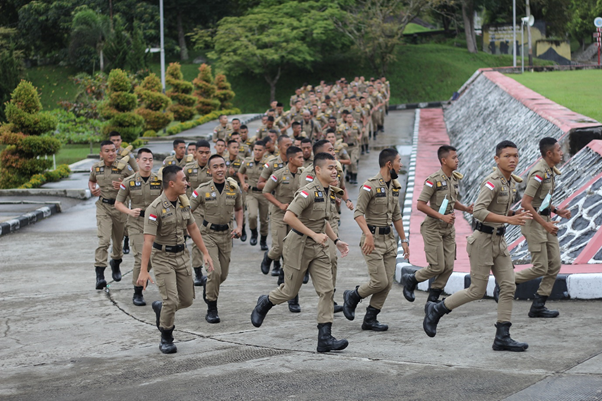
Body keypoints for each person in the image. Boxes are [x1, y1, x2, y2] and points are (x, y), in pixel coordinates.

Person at [423, 140, 532, 352]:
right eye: (507, 155)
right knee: (476, 291)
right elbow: (479, 211)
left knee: (508, 286)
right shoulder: (492, 182)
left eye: (515, 156)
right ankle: (437, 309)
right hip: (482, 241)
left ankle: (502, 336)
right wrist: (508, 220)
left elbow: (498, 210)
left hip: (499, 241)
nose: (512, 159)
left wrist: (512, 214)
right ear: (497, 159)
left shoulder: (510, 182)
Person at [251, 152, 351, 353]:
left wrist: (336, 240)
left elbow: (323, 220)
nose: (335, 171)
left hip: (319, 246)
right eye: (330, 168)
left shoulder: (328, 192)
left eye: (336, 168)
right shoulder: (307, 192)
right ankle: (265, 302)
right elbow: (289, 217)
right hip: (298, 245)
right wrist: (314, 235)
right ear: (317, 170)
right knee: (290, 291)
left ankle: (325, 338)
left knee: (327, 290)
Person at [137, 165, 213, 354]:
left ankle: (161, 309)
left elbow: (193, 228)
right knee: (171, 301)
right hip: (162, 258)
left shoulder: (183, 203)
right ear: (171, 183)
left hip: (182, 256)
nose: (187, 183)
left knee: (187, 300)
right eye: (183, 180)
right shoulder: (155, 208)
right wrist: (143, 270)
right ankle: (166, 335)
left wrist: (205, 252)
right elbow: (148, 241)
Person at [342, 148, 409, 331]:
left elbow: (397, 216)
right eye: (399, 161)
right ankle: (353, 296)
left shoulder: (394, 186)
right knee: (379, 281)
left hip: (389, 240)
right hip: (372, 241)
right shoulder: (369, 186)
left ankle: (370, 318)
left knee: (386, 284)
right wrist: (368, 235)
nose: (401, 164)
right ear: (389, 164)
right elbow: (358, 213)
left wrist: (403, 240)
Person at [402, 146, 474, 307]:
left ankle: (432, 299)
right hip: (433, 227)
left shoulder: (453, 179)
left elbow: (450, 201)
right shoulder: (433, 179)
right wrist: (442, 216)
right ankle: (411, 279)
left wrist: (465, 208)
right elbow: (420, 205)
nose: (457, 160)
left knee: (448, 267)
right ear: (444, 160)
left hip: (448, 229)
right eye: (454, 158)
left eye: (457, 157)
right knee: (437, 266)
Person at [515, 137, 571, 317]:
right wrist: (546, 224)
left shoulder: (549, 170)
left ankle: (538, 305)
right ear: (549, 153)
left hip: (546, 221)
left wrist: (557, 210)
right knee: (540, 267)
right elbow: (526, 203)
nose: (561, 153)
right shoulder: (538, 172)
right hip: (535, 223)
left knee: (554, 264)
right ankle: (507, 282)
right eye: (558, 150)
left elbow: (542, 199)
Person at [190, 155, 243, 323]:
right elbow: (187, 210)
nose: (220, 169)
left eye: (222, 166)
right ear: (209, 170)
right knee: (215, 271)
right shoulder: (202, 190)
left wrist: (239, 227)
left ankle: (208, 285)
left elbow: (239, 208)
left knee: (223, 275)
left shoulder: (234, 188)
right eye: (215, 167)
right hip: (207, 234)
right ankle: (212, 308)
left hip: (227, 235)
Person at [115, 148, 162, 306]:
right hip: (135, 223)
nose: (148, 163)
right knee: (141, 257)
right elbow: (118, 203)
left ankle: (142, 282)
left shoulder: (159, 181)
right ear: (138, 161)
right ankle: (137, 292)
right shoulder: (128, 182)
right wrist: (129, 211)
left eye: (150, 159)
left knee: (150, 258)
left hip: (155, 223)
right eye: (144, 160)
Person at [262, 146, 305, 311]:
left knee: (292, 255)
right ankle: (269, 256)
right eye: (299, 157)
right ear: (291, 159)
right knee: (279, 248)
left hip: (295, 217)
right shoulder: (278, 174)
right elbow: (266, 191)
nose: (302, 160)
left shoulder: (303, 175)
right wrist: (280, 204)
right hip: (280, 216)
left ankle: (292, 298)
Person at [88, 140, 135, 289]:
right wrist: (92, 189)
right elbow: (91, 180)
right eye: (107, 151)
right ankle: (100, 275)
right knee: (104, 240)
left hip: (119, 208)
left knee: (117, 243)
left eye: (113, 150)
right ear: (101, 154)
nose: (111, 153)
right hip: (103, 207)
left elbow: (136, 183)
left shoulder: (124, 167)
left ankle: (116, 262)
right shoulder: (96, 168)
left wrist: (123, 185)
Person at [184, 140, 212, 286]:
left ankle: (213, 269)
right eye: (201, 152)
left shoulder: (214, 167)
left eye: (207, 152)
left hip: (212, 208)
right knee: (197, 238)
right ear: (195, 153)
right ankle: (198, 272)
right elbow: (178, 183)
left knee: (212, 240)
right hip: (195, 208)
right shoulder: (188, 169)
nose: (204, 155)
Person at [109, 131, 138, 254]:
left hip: (122, 190)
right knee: (109, 221)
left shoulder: (127, 155)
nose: (115, 143)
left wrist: (125, 184)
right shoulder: (105, 153)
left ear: (121, 141)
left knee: (123, 218)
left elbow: (136, 172)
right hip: (108, 192)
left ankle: (125, 239)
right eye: (113, 140)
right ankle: (116, 243)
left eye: (117, 140)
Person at [238, 140, 270, 250]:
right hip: (251, 192)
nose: (257, 152)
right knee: (252, 215)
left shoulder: (268, 163)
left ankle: (263, 240)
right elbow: (240, 172)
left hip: (264, 194)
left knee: (264, 219)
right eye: (255, 149)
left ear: (264, 151)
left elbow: (274, 177)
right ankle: (254, 233)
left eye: (260, 150)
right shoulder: (247, 161)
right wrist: (243, 183)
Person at [226, 139, 247, 242]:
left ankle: (242, 227)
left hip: (238, 188)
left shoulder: (242, 161)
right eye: (234, 147)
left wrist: (235, 174)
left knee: (240, 208)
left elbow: (247, 175)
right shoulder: (223, 160)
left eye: (237, 147)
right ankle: (230, 231)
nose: (236, 150)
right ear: (228, 149)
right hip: (226, 189)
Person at [342, 113, 362, 184]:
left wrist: (359, 137)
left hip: (354, 146)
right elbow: (340, 136)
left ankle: (354, 177)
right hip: (346, 146)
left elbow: (360, 133)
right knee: (348, 162)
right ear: (346, 119)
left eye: (351, 117)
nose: (349, 119)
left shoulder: (356, 126)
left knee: (353, 161)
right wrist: (346, 135)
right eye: (348, 117)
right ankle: (349, 174)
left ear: (353, 118)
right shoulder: (343, 127)